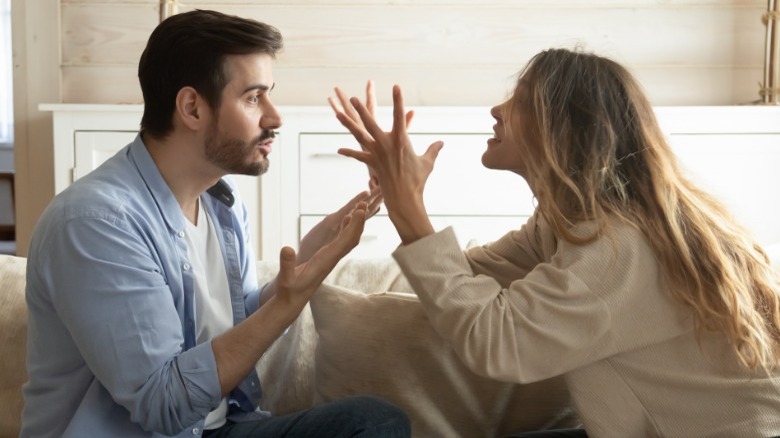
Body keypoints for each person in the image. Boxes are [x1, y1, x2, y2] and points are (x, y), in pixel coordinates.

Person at [330, 48, 780, 437]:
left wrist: (412, 212)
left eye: (522, 100)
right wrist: (399, 197)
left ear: (567, 129)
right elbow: (463, 279)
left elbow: (499, 343)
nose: (497, 109)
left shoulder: (619, 249)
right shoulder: (569, 223)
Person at [21, 9, 411, 438]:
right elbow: (163, 406)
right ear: (191, 107)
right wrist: (287, 303)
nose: (275, 117)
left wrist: (311, 258)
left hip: (217, 429)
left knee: (373, 422)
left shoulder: (221, 203)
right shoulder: (96, 223)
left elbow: (239, 327)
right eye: (253, 97)